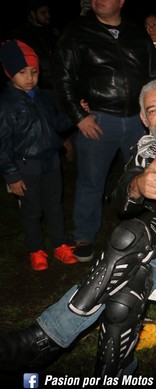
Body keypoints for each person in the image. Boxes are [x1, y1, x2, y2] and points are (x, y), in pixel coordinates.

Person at [0, 79, 156, 377]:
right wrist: (137, 186)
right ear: (143, 118)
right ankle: (114, 373)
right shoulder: (144, 152)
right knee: (124, 295)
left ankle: (44, 337)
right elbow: (121, 201)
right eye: (152, 111)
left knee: (132, 235)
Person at [52, 0, 156, 262]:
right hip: (99, 120)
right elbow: (63, 77)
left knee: (145, 174)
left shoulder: (136, 33)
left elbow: (153, 73)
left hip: (138, 120)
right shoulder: (77, 31)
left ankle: (149, 228)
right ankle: (84, 235)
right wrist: (79, 117)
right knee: (91, 180)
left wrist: (153, 112)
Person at [0, 39, 77, 271]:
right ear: (9, 73)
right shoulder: (6, 104)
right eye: (22, 72)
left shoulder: (43, 97)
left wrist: (76, 114)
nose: (29, 78)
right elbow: (2, 143)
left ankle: (60, 245)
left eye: (34, 72)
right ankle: (35, 250)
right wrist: (12, 175)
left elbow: (57, 124)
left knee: (55, 206)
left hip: (51, 162)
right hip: (26, 167)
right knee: (32, 211)